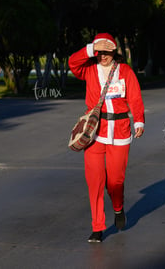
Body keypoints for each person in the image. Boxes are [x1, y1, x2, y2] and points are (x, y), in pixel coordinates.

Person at [69, 32, 145, 243]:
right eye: (99, 51)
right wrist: (89, 48)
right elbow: (72, 62)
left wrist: (139, 120)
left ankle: (118, 207)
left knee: (115, 181)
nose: (102, 56)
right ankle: (97, 226)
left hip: (120, 130)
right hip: (94, 132)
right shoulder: (89, 70)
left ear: (114, 50)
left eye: (106, 51)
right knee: (95, 180)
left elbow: (135, 97)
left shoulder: (126, 71)